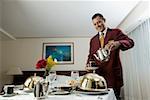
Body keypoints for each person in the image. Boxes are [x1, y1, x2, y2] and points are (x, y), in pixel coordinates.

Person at [86, 13, 134, 100]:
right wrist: (88, 65)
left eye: (99, 22)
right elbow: (91, 56)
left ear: (104, 20)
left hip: (113, 77)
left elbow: (130, 42)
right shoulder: (92, 40)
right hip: (98, 79)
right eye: (95, 24)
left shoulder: (115, 32)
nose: (98, 25)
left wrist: (118, 43)